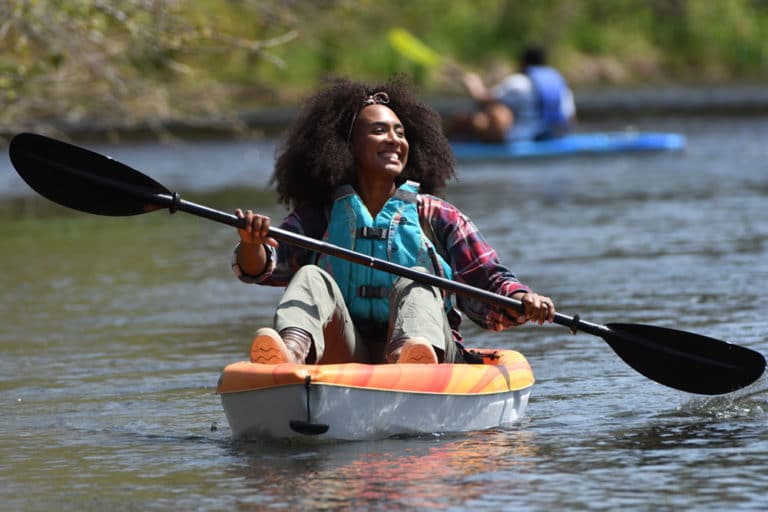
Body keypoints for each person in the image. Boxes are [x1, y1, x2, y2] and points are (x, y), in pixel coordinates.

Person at [232, 76, 555, 366]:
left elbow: (487, 279)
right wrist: (252, 244)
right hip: (348, 350)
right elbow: (266, 267)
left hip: (431, 353)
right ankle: (289, 353)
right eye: (379, 131)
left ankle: (411, 359)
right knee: (312, 276)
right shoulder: (321, 215)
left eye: (400, 133)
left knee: (417, 279)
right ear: (347, 147)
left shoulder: (438, 215)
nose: (394, 140)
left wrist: (521, 299)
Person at [446, 46, 576, 143]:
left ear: (523, 63)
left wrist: (472, 83)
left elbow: (482, 99)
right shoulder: (561, 84)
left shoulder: (519, 83)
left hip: (518, 137)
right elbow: (570, 118)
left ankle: (442, 148)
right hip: (554, 136)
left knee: (465, 118)